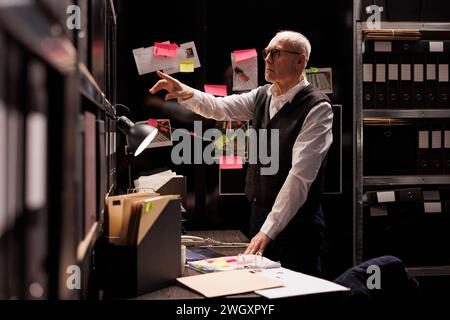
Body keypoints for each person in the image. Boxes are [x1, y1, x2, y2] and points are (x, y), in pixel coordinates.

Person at [149, 30, 333, 275]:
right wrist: (184, 91)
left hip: (298, 223)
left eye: (275, 54)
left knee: (299, 291)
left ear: (300, 60)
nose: (267, 59)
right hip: (260, 212)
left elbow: (299, 178)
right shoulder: (262, 95)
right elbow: (219, 107)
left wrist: (268, 230)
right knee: (259, 289)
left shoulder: (318, 108)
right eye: (266, 53)